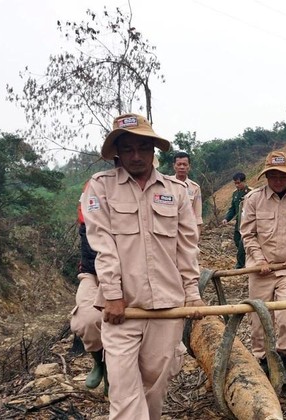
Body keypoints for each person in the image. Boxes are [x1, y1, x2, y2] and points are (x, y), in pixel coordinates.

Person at [82, 113, 206, 419]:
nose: (136, 156)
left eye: (143, 148)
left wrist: (192, 293)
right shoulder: (100, 188)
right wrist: (111, 292)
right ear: (117, 153)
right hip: (122, 308)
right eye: (128, 149)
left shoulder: (176, 192)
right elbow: (102, 243)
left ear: (154, 151)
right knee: (124, 395)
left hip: (167, 308)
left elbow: (187, 248)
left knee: (153, 388)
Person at [240, 151, 286, 384]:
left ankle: (283, 362)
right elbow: (248, 233)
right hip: (260, 269)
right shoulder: (253, 199)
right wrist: (259, 259)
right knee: (259, 318)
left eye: (282, 175)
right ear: (266, 176)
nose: (278, 180)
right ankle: (262, 362)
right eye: (273, 175)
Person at [69, 159, 121, 396]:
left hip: (125, 274)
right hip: (92, 272)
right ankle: (98, 362)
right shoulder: (90, 206)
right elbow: (93, 246)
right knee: (86, 320)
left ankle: (114, 370)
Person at [221, 172, 251, 269]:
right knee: (237, 241)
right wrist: (226, 218)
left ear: (244, 181)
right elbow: (233, 209)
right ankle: (247, 259)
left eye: (239, 183)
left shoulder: (251, 193)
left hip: (248, 223)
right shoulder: (235, 194)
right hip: (239, 223)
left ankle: (240, 265)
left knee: (243, 243)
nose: (237, 185)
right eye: (235, 183)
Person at [173, 151, 203, 239]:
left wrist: (195, 238)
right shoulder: (165, 184)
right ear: (174, 166)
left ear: (189, 167)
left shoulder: (195, 188)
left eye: (185, 164)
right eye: (179, 164)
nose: (182, 167)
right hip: (168, 232)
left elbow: (197, 216)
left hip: (186, 233)